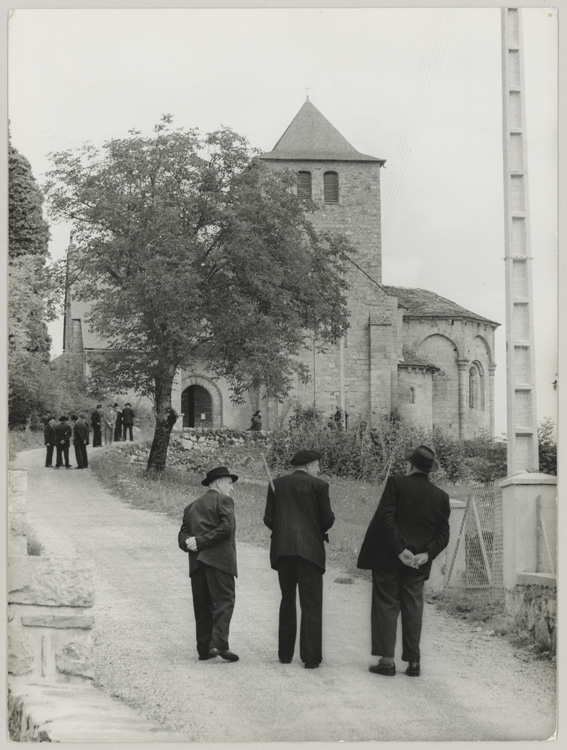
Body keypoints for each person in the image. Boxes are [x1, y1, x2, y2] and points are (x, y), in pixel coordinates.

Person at [357, 445, 450, 678]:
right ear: (430, 470)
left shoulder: (396, 483)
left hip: (389, 557)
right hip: (417, 563)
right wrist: (426, 554)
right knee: (413, 609)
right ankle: (414, 663)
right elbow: (443, 535)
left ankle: (387, 661)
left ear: (409, 465)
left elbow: (385, 518)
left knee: (385, 605)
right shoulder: (441, 497)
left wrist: (400, 550)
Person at [263, 449, 335, 669]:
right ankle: (311, 658)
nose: (319, 469)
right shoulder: (320, 486)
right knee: (311, 603)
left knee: (287, 600)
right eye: (318, 465)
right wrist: (314, 531)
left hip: (283, 551)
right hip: (310, 552)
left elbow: (268, 518)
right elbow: (328, 518)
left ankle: (285, 654)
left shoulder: (277, 484)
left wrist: (284, 530)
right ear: (310, 465)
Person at [178, 466, 240, 662]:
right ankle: (218, 644)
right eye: (230, 483)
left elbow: (182, 535)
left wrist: (189, 541)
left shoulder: (191, 506)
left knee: (202, 604)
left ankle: (204, 649)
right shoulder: (224, 500)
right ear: (219, 482)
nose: (232, 488)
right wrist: (201, 541)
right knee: (224, 601)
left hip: (196, 563)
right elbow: (226, 527)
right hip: (219, 561)